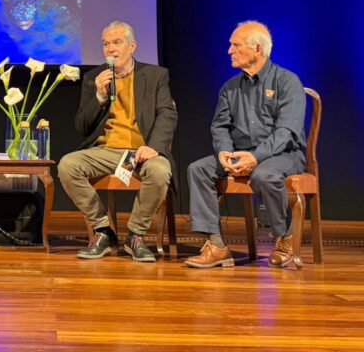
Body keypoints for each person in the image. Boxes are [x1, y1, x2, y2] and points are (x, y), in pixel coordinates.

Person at [185, 21, 306, 269]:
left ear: (257, 49)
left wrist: (256, 157)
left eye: (235, 45)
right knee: (198, 169)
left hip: (284, 155)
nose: (229, 50)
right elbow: (219, 127)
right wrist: (224, 153)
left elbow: (286, 132)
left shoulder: (287, 81)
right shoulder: (229, 88)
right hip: (241, 154)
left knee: (264, 174)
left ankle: (284, 237)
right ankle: (216, 245)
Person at [58, 21, 177, 262]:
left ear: (132, 46)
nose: (110, 49)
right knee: (67, 165)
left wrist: (153, 147)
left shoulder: (155, 75)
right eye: (105, 44)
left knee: (160, 170)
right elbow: (82, 126)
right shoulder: (94, 77)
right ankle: (103, 231)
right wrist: (99, 96)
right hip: (104, 151)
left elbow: (167, 113)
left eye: (117, 42)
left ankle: (135, 236)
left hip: (139, 152)